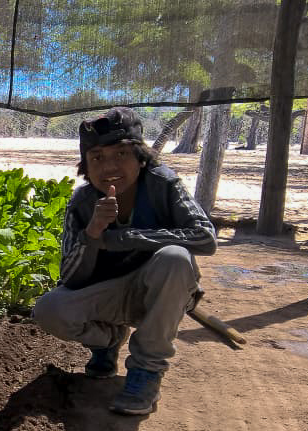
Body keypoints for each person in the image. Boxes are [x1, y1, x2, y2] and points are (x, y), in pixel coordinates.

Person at [32, 107, 217, 415]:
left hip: (159, 295)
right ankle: (108, 340)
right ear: (86, 167)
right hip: (110, 296)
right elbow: (71, 278)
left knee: (175, 258)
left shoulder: (162, 185)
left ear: (141, 158)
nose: (109, 167)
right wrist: (92, 234)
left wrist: (124, 238)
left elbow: (205, 237)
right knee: (49, 310)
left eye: (121, 154)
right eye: (97, 158)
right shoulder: (83, 202)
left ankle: (146, 372)